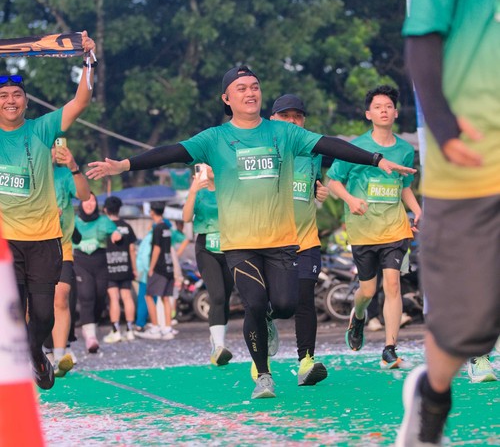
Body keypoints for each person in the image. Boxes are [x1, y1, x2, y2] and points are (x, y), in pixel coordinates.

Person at [86, 65, 415, 399]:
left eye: (254, 86)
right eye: (241, 88)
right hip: (240, 243)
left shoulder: (283, 133)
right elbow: (171, 151)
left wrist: (376, 159)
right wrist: (124, 165)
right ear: (227, 98)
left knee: (285, 305)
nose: (250, 92)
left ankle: (270, 321)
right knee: (254, 303)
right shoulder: (214, 138)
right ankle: (264, 375)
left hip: (282, 241)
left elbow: (330, 145)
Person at [396, 0, 500, 445]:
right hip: (475, 159)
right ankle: (432, 397)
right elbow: (423, 35)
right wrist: (442, 126)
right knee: (469, 326)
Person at [0, 31, 96, 390]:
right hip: (6, 243)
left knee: (43, 315)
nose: (10, 101)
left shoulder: (42, 129)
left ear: (26, 102)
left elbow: (81, 101)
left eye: (16, 95)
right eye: (3, 96)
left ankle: (37, 354)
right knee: (11, 312)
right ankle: (17, 364)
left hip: (44, 240)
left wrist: (89, 61)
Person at [327, 85, 422, 369]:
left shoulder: (405, 150)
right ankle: (358, 316)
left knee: (392, 284)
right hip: (363, 229)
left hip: (395, 227)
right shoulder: (354, 147)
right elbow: (333, 182)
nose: (384, 111)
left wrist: (418, 210)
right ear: (368, 114)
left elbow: (404, 186)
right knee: (368, 291)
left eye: (388, 106)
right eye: (378, 107)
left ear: (395, 113)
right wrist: (350, 200)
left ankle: (389, 348)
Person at [268, 94, 328, 386]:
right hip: (269, 243)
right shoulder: (263, 151)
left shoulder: (314, 152)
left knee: (305, 299)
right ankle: (263, 340)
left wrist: (319, 189)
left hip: (306, 240)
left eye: (298, 116)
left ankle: (306, 362)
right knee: (279, 304)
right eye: (285, 116)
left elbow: (312, 183)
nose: (292, 121)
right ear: (272, 119)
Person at [45, 139, 91, 377]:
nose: (54, 151)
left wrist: (73, 166)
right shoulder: (26, 171)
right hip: (30, 245)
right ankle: (37, 351)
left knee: (61, 297)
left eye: (56, 146)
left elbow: (84, 195)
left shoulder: (64, 174)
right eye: (49, 146)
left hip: (61, 245)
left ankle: (60, 356)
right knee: (31, 305)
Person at [182, 163, 234, 366]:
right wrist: (193, 191)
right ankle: (219, 347)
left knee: (225, 298)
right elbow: (186, 217)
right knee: (217, 295)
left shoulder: (229, 187)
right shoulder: (198, 192)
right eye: (204, 164)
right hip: (206, 248)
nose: (207, 167)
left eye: (211, 164)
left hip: (230, 246)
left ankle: (217, 339)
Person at [73, 192, 121, 353]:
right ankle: (90, 336)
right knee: (87, 296)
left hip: (100, 263)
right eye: (86, 200)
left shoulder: (103, 220)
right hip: (80, 262)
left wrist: (116, 235)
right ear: (80, 203)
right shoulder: (74, 220)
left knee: (100, 297)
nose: (89, 204)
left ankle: (92, 324)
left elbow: (115, 232)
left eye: (92, 200)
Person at [135, 201, 177, 340]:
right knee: (165, 297)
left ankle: (155, 327)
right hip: (169, 266)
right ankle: (168, 328)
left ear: (152, 211)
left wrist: (151, 267)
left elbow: (157, 248)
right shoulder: (167, 227)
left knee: (148, 295)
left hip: (159, 267)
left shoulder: (157, 228)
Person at [102, 196, 137, 343]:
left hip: (109, 267)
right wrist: (134, 268)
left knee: (114, 298)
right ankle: (130, 330)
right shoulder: (127, 227)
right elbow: (132, 249)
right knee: (127, 297)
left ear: (105, 210)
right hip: (125, 267)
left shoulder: (104, 226)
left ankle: (116, 330)